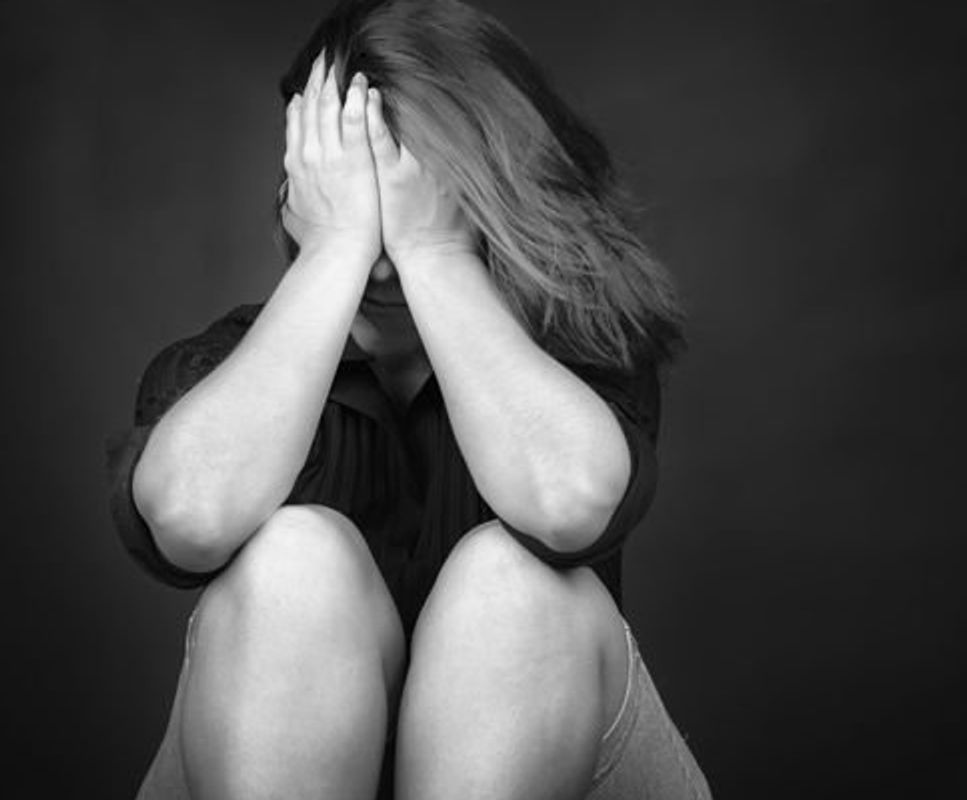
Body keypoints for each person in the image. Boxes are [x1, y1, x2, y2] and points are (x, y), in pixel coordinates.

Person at [105, 0, 711, 797]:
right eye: (357, 208)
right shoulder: (222, 368)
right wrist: (333, 251)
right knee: (292, 559)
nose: (382, 267)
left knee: (515, 580)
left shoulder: (576, 357)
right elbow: (190, 519)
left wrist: (435, 253)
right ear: (305, 190)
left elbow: (566, 503)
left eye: (418, 207)